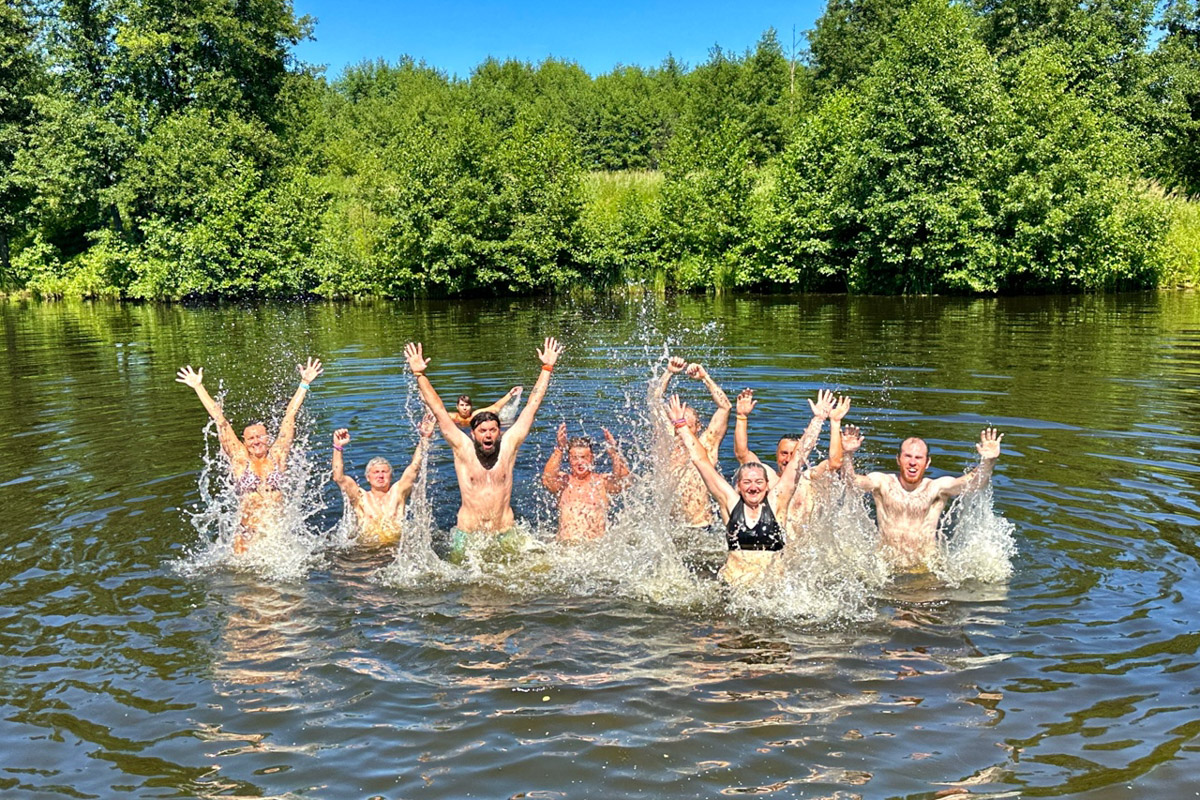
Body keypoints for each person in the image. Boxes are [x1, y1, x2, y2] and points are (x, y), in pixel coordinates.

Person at [404, 337, 563, 562]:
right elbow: (438, 409)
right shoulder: (462, 449)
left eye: (492, 430)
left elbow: (531, 407)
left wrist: (547, 368)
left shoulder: (508, 447)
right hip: (468, 537)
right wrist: (420, 375)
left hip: (505, 533)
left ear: (499, 432)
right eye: (483, 431)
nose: (488, 435)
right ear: (473, 434)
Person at [666, 393, 846, 587]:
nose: (753, 487)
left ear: (767, 486)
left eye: (758, 482)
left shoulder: (777, 503)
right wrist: (682, 426)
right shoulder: (730, 502)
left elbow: (798, 458)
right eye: (747, 483)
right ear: (739, 486)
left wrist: (818, 419)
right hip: (733, 589)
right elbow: (701, 461)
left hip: (771, 592)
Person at [176, 358, 323, 553]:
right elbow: (219, 420)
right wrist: (198, 386)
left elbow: (290, 415)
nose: (256, 441)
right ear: (244, 442)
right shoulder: (239, 458)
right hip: (248, 532)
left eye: (260, 437)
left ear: (268, 438)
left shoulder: (278, 455)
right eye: (251, 439)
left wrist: (304, 383)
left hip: (277, 532)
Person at [845, 428, 1003, 567]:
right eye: (907, 456)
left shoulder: (937, 488)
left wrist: (988, 461)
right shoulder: (882, 482)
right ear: (898, 459)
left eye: (918, 458)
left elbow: (973, 484)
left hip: (924, 569)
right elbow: (851, 483)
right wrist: (847, 454)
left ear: (927, 463)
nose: (912, 462)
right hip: (885, 567)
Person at [733, 387, 847, 538]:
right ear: (776, 454)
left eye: (792, 455)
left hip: (802, 549)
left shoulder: (810, 479)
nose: (787, 459)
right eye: (783, 453)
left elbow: (835, 463)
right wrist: (741, 417)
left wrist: (835, 422)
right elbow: (742, 453)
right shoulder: (767, 478)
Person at [331, 413, 436, 548]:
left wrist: (424, 438)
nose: (380, 476)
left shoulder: (397, 492)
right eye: (376, 472)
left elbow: (414, 468)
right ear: (368, 478)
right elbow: (338, 477)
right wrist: (338, 447)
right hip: (367, 551)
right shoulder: (360, 496)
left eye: (384, 472)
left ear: (391, 476)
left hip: (395, 550)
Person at [649, 356, 732, 527]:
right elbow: (654, 401)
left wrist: (705, 378)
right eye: (677, 424)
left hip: (701, 526)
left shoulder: (706, 446)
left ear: (698, 427)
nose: (681, 430)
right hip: (669, 531)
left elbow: (725, 407)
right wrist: (669, 373)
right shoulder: (666, 445)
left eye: (686, 425)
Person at [541, 423, 631, 542]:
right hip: (565, 550)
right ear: (569, 459)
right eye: (575, 458)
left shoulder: (601, 483)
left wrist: (614, 453)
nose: (580, 462)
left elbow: (624, 480)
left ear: (591, 458)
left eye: (583, 457)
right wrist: (560, 449)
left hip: (594, 550)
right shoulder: (564, 482)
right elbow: (547, 478)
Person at [449, 387, 523, 428]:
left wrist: (510, 394)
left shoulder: (475, 415)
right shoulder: (453, 417)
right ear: (457, 407)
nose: (464, 408)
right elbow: (438, 412)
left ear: (471, 407)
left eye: (467, 405)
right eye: (462, 405)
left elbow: (495, 408)